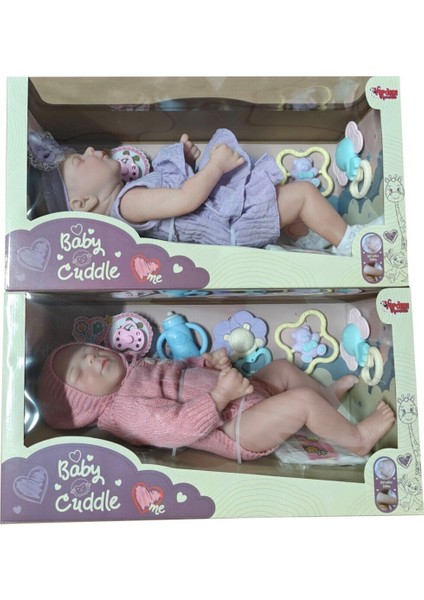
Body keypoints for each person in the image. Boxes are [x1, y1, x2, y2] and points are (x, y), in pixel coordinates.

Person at [28, 129, 381, 254]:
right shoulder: (128, 203)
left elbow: (178, 196)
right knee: (302, 193)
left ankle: (312, 239)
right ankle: (353, 244)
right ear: (83, 203)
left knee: (287, 199)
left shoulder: (132, 194)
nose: (91, 151)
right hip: (230, 228)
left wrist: (187, 161)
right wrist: (215, 166)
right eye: (80, 160)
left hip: (224, 220)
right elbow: (186, 199)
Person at [37, 342, 395, 461]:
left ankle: (327, 403)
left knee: (283, 370)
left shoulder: (136, 368)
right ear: (83, 405)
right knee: (299, 401)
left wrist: (207, 362)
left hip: (241, 395)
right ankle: (357, 440)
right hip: (233, 429)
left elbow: (179, 373)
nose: (90, 360)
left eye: (84, 352)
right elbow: (176, 428)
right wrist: (220, 395)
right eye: (78, 374)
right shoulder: (123, 412)